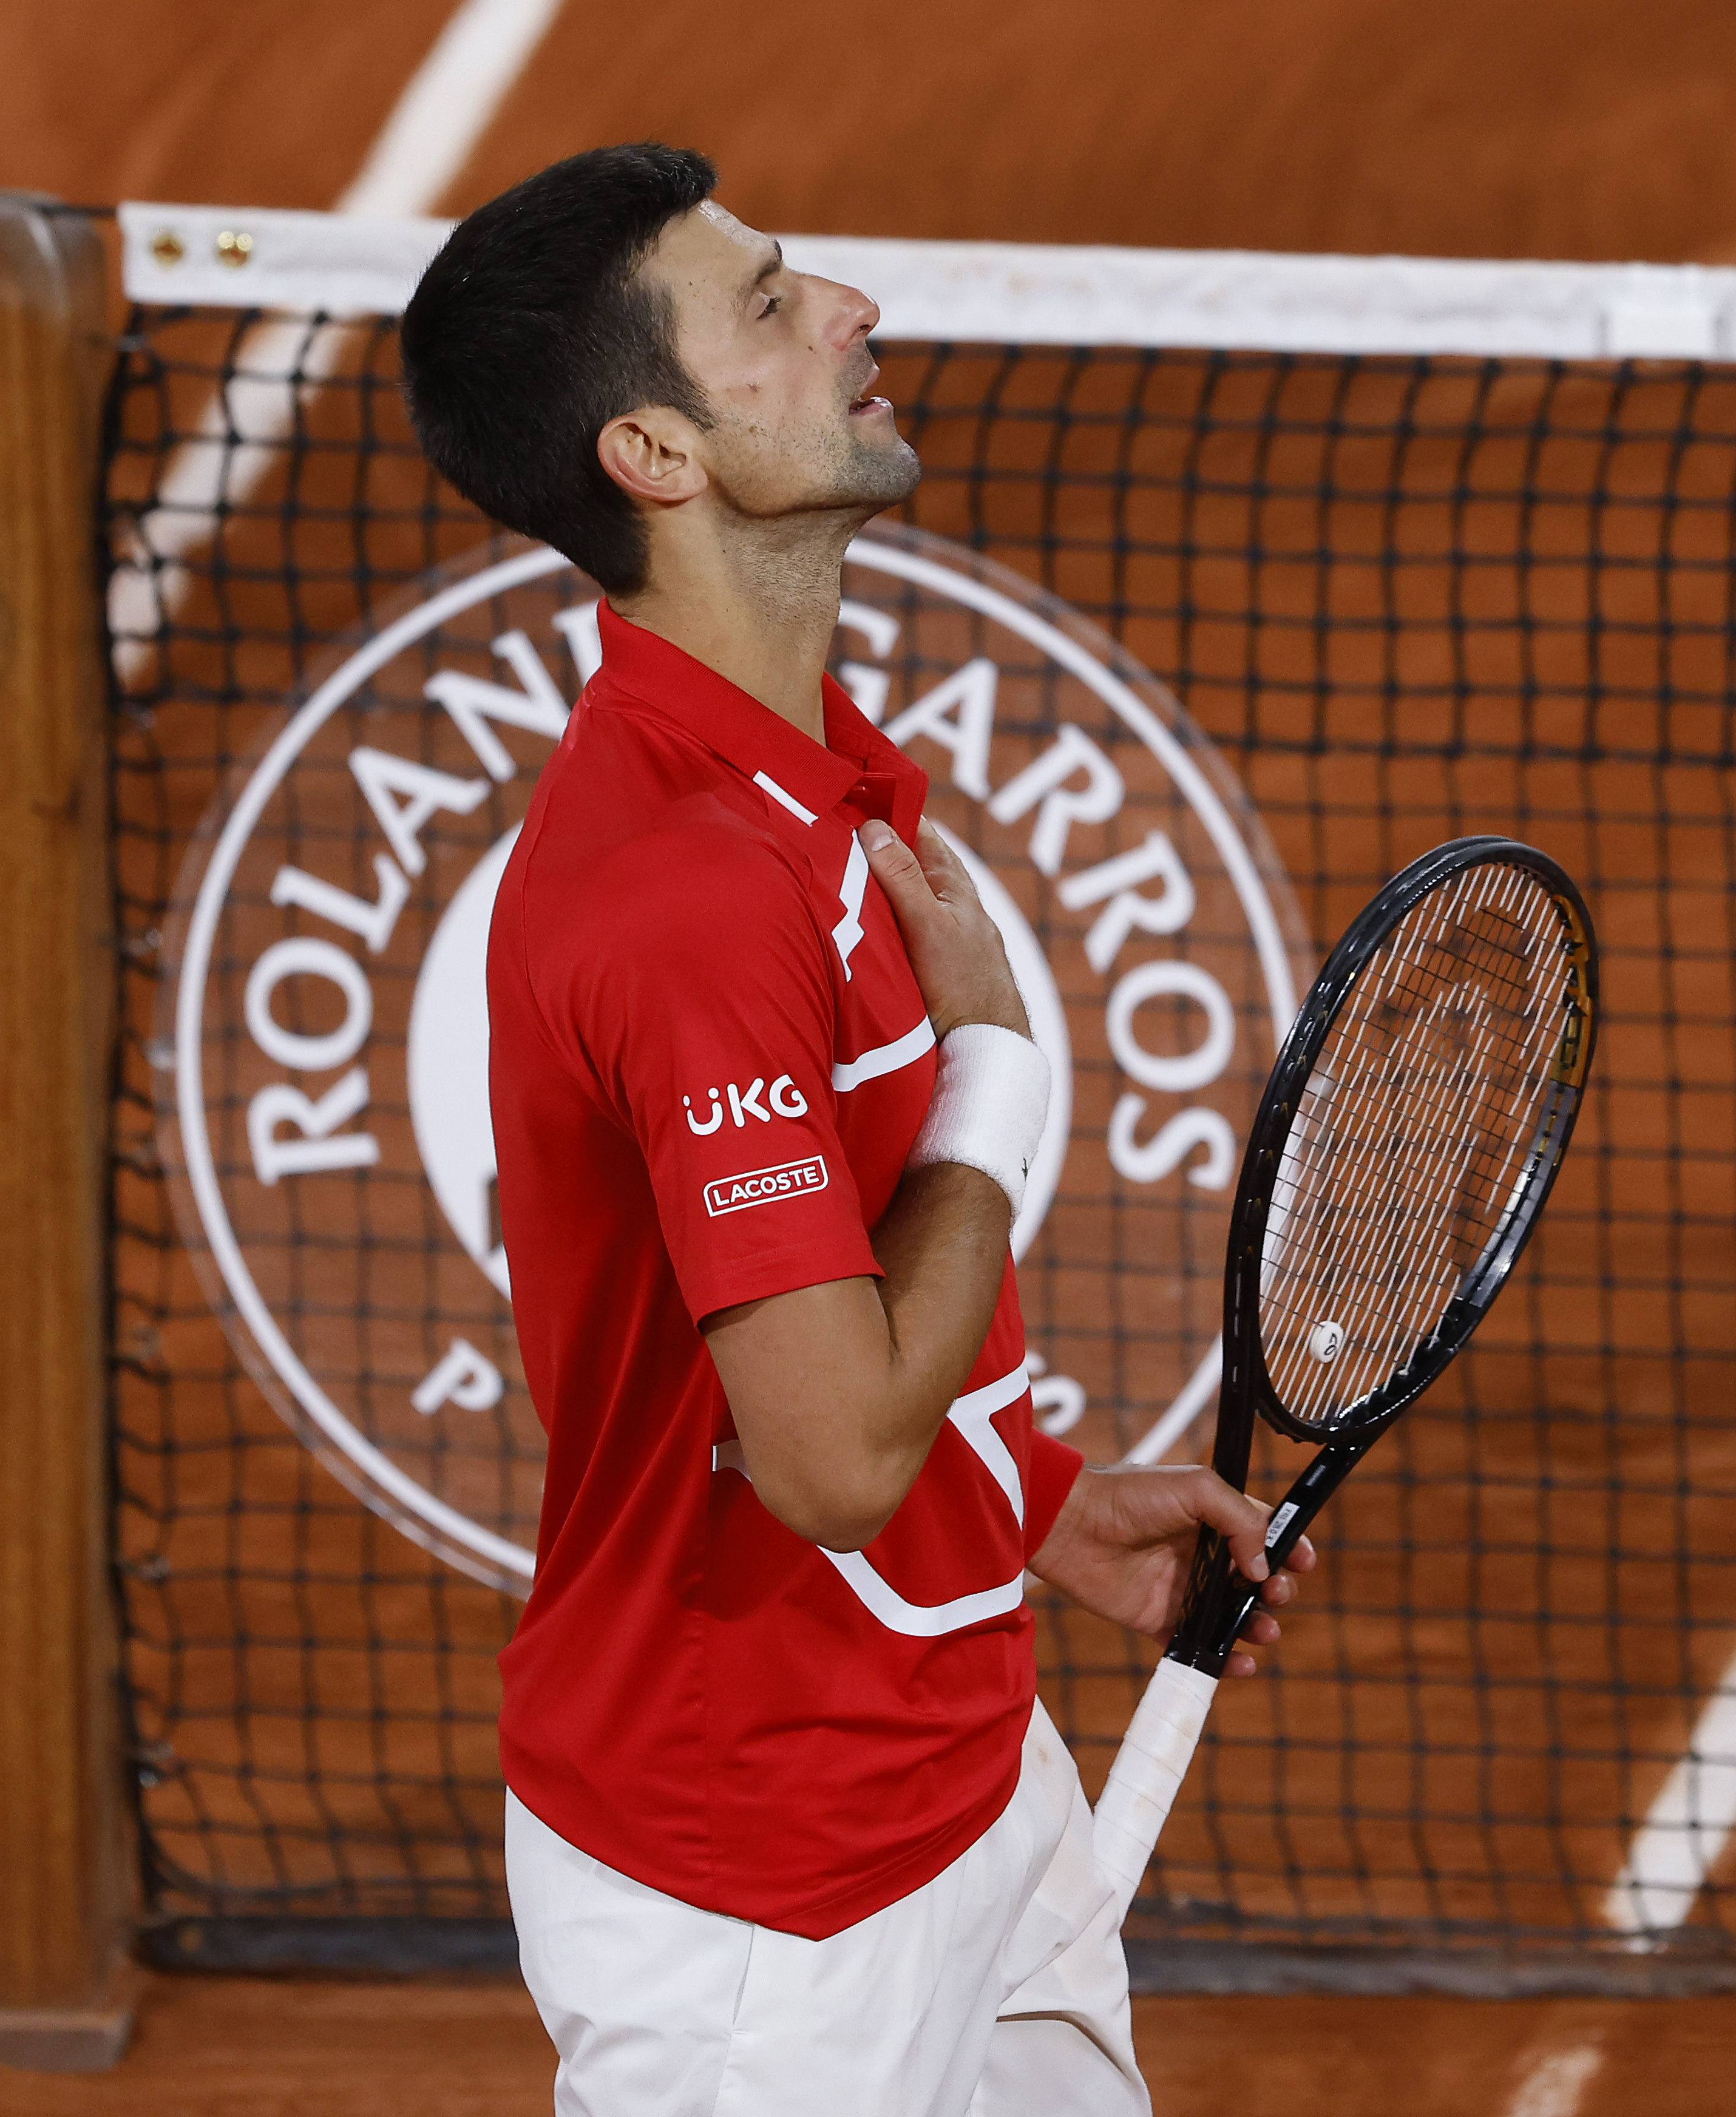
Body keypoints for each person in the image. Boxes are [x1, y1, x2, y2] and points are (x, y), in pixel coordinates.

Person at [401, 142, 1317, 2117]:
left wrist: (1034, 1499)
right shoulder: (689, 900)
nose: (852, 314)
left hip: (962, 1780)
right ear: (654, 454)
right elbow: (817, 1459)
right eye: (770, 305)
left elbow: (807, 1300)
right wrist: (998, 1084)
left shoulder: (810, 791)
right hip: (768, 1910)